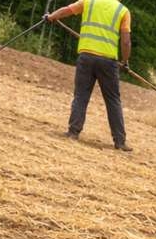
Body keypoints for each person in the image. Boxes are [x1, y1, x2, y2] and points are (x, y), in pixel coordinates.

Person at [45, 0, 133, 152]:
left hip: (86, 57)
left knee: (81, 96)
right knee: (113, 100)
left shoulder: (88, 2)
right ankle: (120, 142)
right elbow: (126, 42)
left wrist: (51, 17)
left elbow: (66, 10)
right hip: (108, 62)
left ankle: (73, 132)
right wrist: (125, 61)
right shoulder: (123, 11)